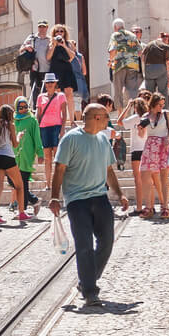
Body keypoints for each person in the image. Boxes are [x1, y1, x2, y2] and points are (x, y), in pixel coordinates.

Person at [49, 104, 128, 309]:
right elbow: (59, 169)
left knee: (107, 241)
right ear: (95, 118)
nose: (107, 121)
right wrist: (55, 197)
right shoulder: (71, 139)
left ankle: (86, 280)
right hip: (76, 200)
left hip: (100, 197)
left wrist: (119, 194)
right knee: (84, 245)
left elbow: (109, 170)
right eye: (105, 117)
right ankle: (91, 292)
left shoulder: (103, 139)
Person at [0, 104, 29, 224]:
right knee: (19, 185)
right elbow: (15, 144)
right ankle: (21, 213)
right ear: (9, 115)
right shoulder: (10, 125)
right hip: (8, 157)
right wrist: (19, 137)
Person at [140, 91, 169, 218]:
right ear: (153, 104)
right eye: (159, 105)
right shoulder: (145, 116)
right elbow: (141, 135)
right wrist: (140, 129)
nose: (162, 107)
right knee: (145, 176)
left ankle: (165, 207)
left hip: (162, 145)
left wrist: (168, 137)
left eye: (163, 104)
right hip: (150, 146)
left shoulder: (166, 114)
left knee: (164, 177)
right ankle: (149, 207)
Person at [120, 95, 152, 216]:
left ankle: (139, 207)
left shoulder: (134, 118)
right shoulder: (149, 118)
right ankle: (151, 207)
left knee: (138, 181)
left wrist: (127, 107)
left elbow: (119, 121)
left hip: (136, 150)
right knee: (149, 180)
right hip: (147, 149)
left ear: (135, 108)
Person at [35, 73, 68, 184]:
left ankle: (59, 182)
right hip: (44, 128)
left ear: (55, 83)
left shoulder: (61, 96)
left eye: (51, 82)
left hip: (56, 127)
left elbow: (64, 113)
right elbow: (38, 114)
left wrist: (63, 129)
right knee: (47, 158)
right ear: (45, 84)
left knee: (57, 156)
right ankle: (48, 183)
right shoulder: (40, 97)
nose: (49, 84)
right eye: (47, 82)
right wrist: (36, 129)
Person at [12, 96, 42, 214]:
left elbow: (37, 138)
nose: (23, 109)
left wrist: (40, 153)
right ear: (16, 107)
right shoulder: (13, 119)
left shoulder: (32, 120)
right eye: (20, 107)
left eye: (25, 107)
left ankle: (22, 210)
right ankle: (33, 200)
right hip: (14, 155)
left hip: (27, 155)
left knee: (23, 182)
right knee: (13, 181)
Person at [47, 24, 78, 123]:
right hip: (56, 70)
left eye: (61, 31)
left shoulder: (68, 43)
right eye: (57, 31)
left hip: (67, 69)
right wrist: (54, 45)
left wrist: (64, 45)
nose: (59, 33)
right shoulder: (51, 44)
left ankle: (72, 119)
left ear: (64, 33)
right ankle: (60, 118)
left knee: (69, 94)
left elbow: (72, 57)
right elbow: (48, 57)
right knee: (58, 94)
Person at [107, 19, 143, 99]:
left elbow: (112, 51)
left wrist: (110, 61)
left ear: (115, 27)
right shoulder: (133, 36)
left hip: (119, 66)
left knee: (118, 91)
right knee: (132, 90)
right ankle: (133, 108)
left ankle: (121, 111)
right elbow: (140, 52)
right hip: (132, 66)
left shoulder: (115, 35)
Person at [18, 21, 52, 97]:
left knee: (46, 92)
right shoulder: (32, 38)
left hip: (47, 69)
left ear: (47, 28)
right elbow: (21, 49)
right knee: (35, 91)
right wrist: (26, 47)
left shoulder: (50, 39)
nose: (42, 28)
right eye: (40, 27)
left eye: (44, 27)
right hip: (34, 69)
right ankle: (35, 107)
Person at [142, 30, 169, 97]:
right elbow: (167, 63)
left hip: (148, 69)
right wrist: (168, 77)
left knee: (149, 93)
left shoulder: (149, 44)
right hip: (161, 68)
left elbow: (143, 57)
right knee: (163, 92)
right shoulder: (166, 47)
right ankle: (164, 107)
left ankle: (149, 107)